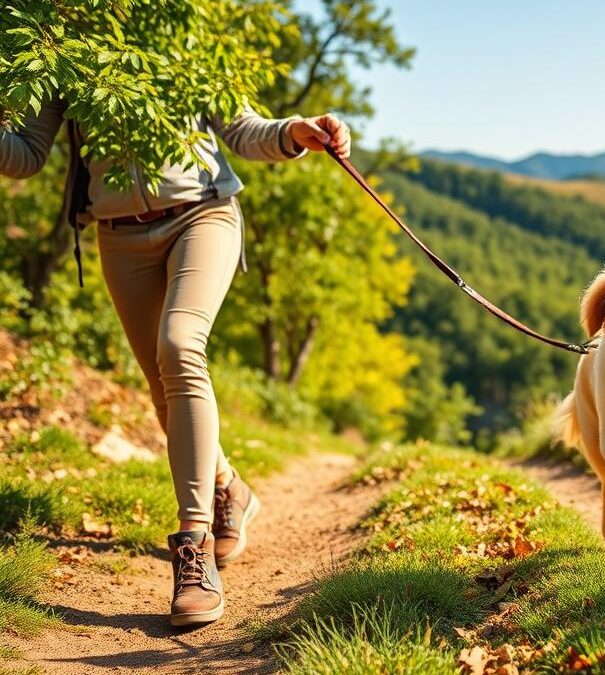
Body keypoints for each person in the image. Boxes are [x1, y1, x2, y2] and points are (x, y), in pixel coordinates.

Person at [0, 98, 350, 627]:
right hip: (119, 237)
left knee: (180, 345)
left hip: (202, 215)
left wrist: (294, 132)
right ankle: (228, 485)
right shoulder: (60, 36)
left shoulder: (178, 20)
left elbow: (243, 129)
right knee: (163, 387)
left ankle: (195, 547)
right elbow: (25, 155)